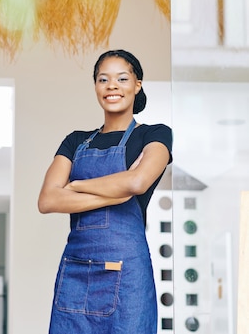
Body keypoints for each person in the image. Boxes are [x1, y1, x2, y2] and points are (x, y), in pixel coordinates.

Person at [37, 49, 172, 334]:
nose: (112, 86)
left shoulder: (154, 134)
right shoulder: (75, 141)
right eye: (103, 79)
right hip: (76, 271)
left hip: (128, 275)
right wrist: (116, 190)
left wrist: (76, 186)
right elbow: (48, 199)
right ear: (96, 86)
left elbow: (137, 184)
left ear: (137, 85)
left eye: (122, 78)